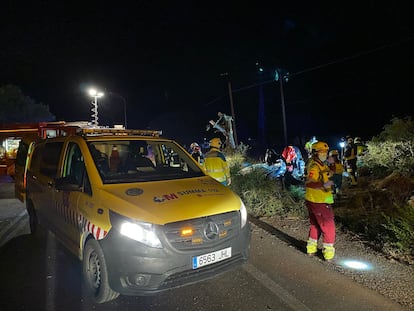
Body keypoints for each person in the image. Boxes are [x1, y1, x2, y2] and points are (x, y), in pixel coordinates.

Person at [304, 141, 336, 261]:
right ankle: (328, 253)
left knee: (315, 224)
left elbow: (330, 172)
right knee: (328, 225)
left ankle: (311, 249)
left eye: (326, 152)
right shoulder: (314, 166)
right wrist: (324, 185)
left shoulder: (320, 164)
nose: (324, 154)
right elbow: (310, 182)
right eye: (322, 152)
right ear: (315, 152)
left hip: (316, 199)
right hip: (319, 200)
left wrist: (333, 164)